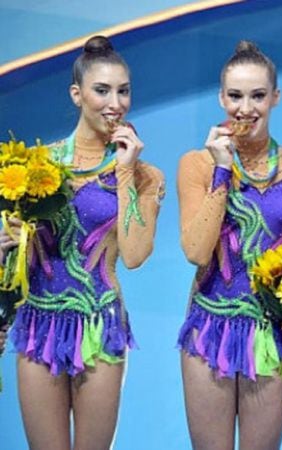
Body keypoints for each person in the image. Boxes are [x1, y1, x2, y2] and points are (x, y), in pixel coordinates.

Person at [2, 35, 164, 449]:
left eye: (123, 91)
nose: (116, 102)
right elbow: (10, 257)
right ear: (77, 94)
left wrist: (126, 173)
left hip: (99, 326)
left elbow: (134, 255)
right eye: (102, 90)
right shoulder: (32, 167)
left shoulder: (146, 176)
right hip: (39, 324)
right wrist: (7, 242)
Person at [176, 40, 282, 449]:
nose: (246, 108)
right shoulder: (197, 165)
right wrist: (222, 171)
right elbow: (196, 251)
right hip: (209, 330)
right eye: (236, 96)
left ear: (275, 98)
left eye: (258, 96)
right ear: (221, 98)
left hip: (272, 334)